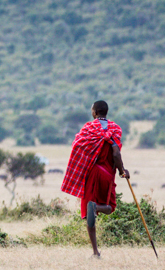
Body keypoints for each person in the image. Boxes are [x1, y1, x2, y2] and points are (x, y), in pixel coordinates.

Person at [61, 100, 129, 258]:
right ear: (106, 112)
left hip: (91, 174)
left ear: (94, 112)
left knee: (89, 212)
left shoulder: (88, 129)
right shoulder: (114, 129)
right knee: (110, 207)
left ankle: (95, 252)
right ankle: (97, 208)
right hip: (107, 174)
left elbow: (77, 146)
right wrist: (122, 171)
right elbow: (116, 154)